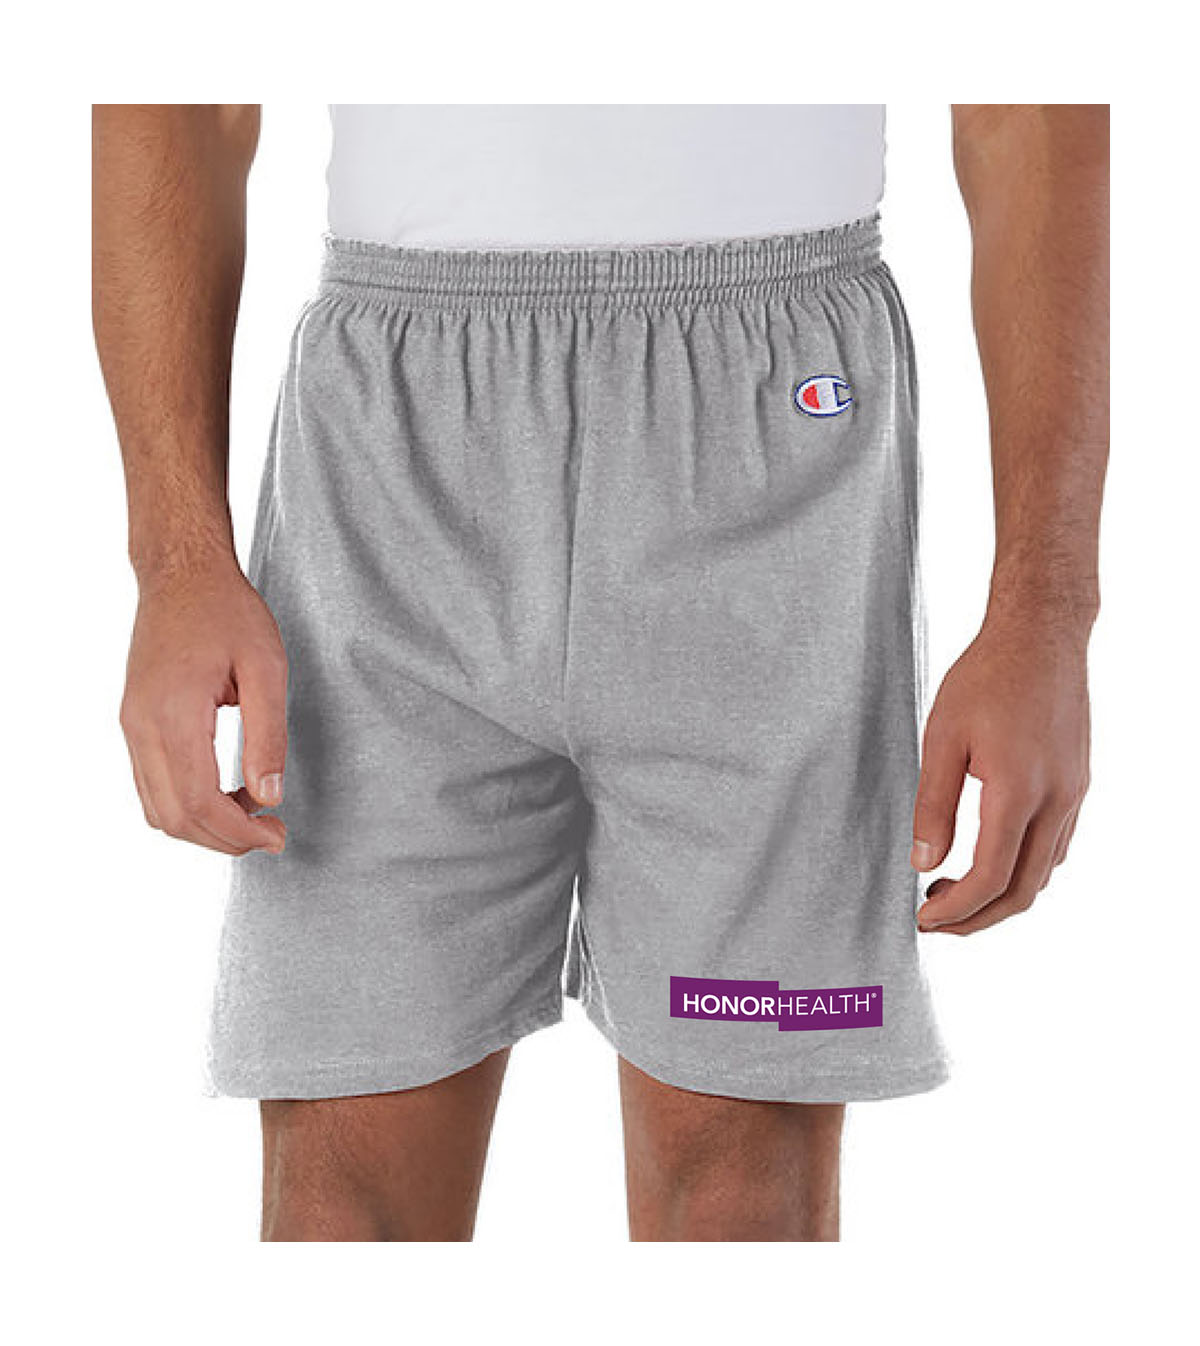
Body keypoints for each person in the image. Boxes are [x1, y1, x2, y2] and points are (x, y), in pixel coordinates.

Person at [92, 105, 1109, 1242]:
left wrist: (1046, 611)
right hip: (392, 455)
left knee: (742, 1193)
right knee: (343, 1192)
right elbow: (180, 100)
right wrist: (174, 562)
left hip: (772, 426)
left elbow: (1030, 106)